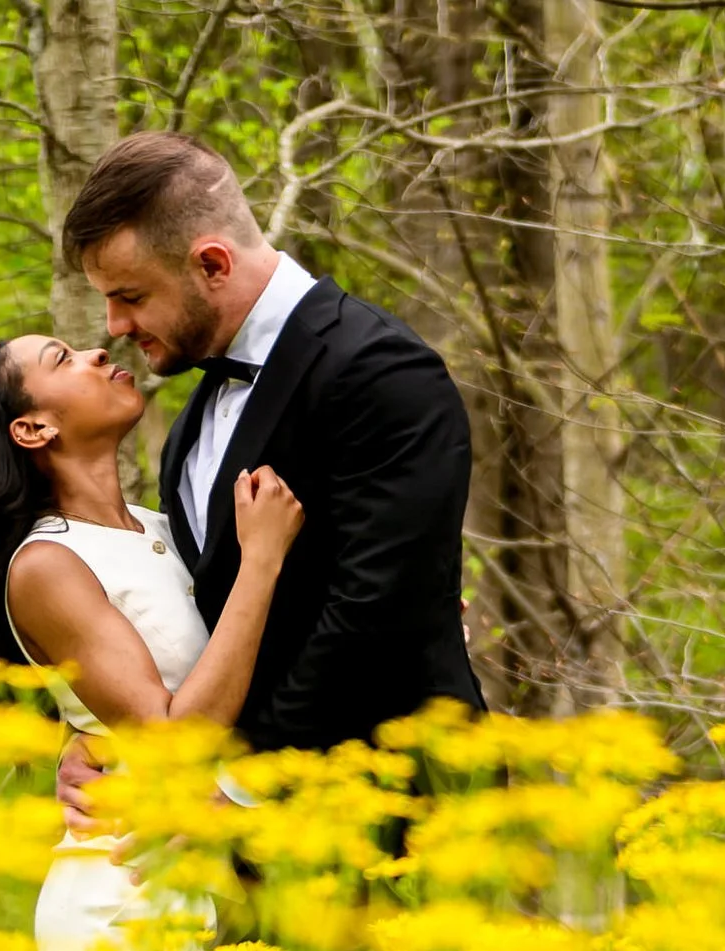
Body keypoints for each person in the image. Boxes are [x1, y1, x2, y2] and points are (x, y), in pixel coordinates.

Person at [55, 131, 484, 822]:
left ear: (213, 264)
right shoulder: (191, 425)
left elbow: (377, 619)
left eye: (130, 295)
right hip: (248, 849)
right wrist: (104, 739)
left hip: (395, 823)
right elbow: (193, 625)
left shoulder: (381, 373)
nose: (114, 325)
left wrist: (239, 788)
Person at [0, 336, 302, 951]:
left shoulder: (165, 526)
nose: (98, 352)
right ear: (34, 428)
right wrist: (262, 562)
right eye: (62, 360)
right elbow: (172, 733)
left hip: (196, 893)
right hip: (117, 904)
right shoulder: (44, 566)